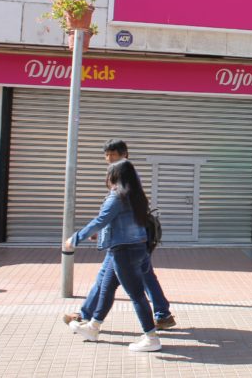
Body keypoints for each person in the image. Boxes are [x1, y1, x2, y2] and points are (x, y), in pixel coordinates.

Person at [63, 139, 175, 330]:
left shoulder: (125, 178)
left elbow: (108, 216)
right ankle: (90, 318)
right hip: (131, 241)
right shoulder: (124, 177)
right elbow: (121, 215)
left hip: (126, 244)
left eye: (113, 155)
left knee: (134, 289)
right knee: (112, 280)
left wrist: (76, 239)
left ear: (125, 155)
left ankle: (150, 330)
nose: (109, 159)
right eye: (107, 155)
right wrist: (104, 232)